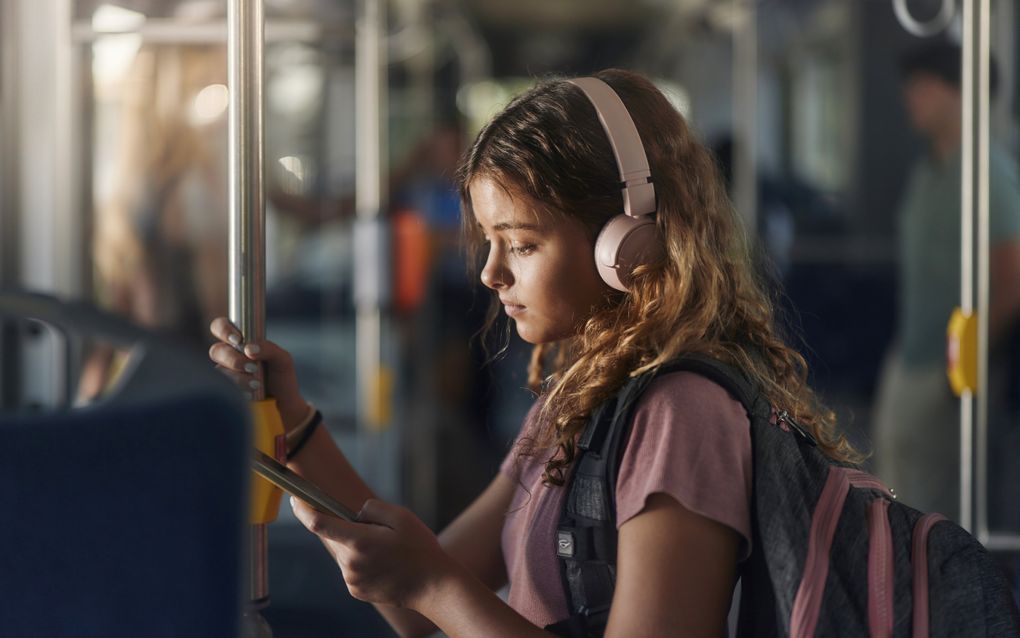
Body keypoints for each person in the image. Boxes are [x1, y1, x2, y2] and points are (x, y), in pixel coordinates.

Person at [209, 69, 861, 636]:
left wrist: (433, 584)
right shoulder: (578, 399)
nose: (491, 274)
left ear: (625, 247)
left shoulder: (680, 417)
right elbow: (413, 604)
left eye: (520, 244)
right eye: (489, 241)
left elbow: (434, 588)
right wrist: (293, 420)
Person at [872, 41, 1020, 526]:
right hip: (909, 359)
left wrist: (958, 368)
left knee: (933, 515)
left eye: (924, 87)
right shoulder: (928, 172)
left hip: (949, 371)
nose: (910, 97)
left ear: (960, 94)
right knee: (894, 495)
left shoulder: (989, 177)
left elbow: (1011, 283)